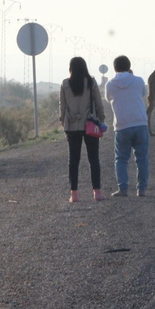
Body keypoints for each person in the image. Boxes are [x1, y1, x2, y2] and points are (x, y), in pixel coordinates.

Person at [59, 57, 107, 203]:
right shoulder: (91, 83)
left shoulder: (65, 84)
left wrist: (64, 124)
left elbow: (62, 107)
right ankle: (97, 192)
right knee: (94, 159)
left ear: (70, 68)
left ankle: (74, 194)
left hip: (72, 126)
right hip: (90, 125)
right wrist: (102, 120)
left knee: (73, 160)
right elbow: (99, 103)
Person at [105, 55, 149, 197]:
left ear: (114, 68)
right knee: (141, 158)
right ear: (129, 67)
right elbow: (143, 93)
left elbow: (108, 98)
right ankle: (141, 189)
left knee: (121, 159)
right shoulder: (138, 80)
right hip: (140, 122)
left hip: (122, 125)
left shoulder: (110, 84)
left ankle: (123, 188)